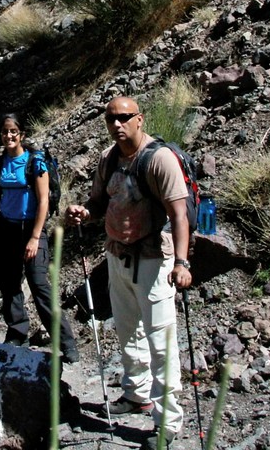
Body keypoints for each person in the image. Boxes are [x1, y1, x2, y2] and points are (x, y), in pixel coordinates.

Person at [65, 96, 192, 450]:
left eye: (124, 118)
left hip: (154, 260)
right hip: (117, 257)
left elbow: (179, 214)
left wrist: (182, 263)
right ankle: (137, 394)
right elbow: (99, 203)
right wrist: (84, 213)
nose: (117, 125)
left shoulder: (158, 159)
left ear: (140, 119)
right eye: (111, 119)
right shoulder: (108, 159)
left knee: (161, 340)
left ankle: (167, 423)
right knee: (127, 331)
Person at [0, 114, 79, 363]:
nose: (9, 136)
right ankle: (17, 333)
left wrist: (35, 237)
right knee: (8, 283)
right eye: (5, 132)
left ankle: (66, 342)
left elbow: (44, 201)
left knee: (39, 285)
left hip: (31, 229)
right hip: (6, 228)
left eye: (13, 131)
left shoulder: (35, 162)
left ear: (21, 134)